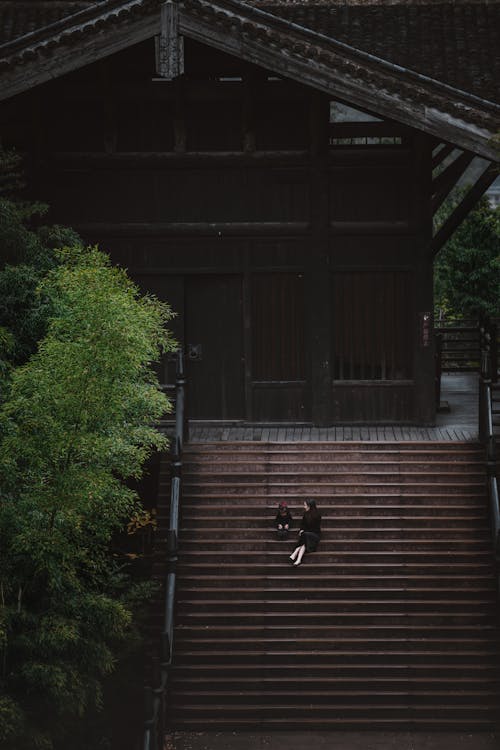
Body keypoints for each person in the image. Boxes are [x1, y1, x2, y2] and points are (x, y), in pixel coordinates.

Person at [289, 499, 321, 566]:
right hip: (306, 536)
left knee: (305, 536)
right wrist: (301, 530)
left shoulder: (317, 515)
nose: (304, 507)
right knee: (304, 540)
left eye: (305, 505)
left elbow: (315, 528)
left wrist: (304, 531)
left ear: (309, 506)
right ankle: (298, 560)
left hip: (315, 535)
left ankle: (295, 552)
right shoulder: (305, 514)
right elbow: (303, 524)